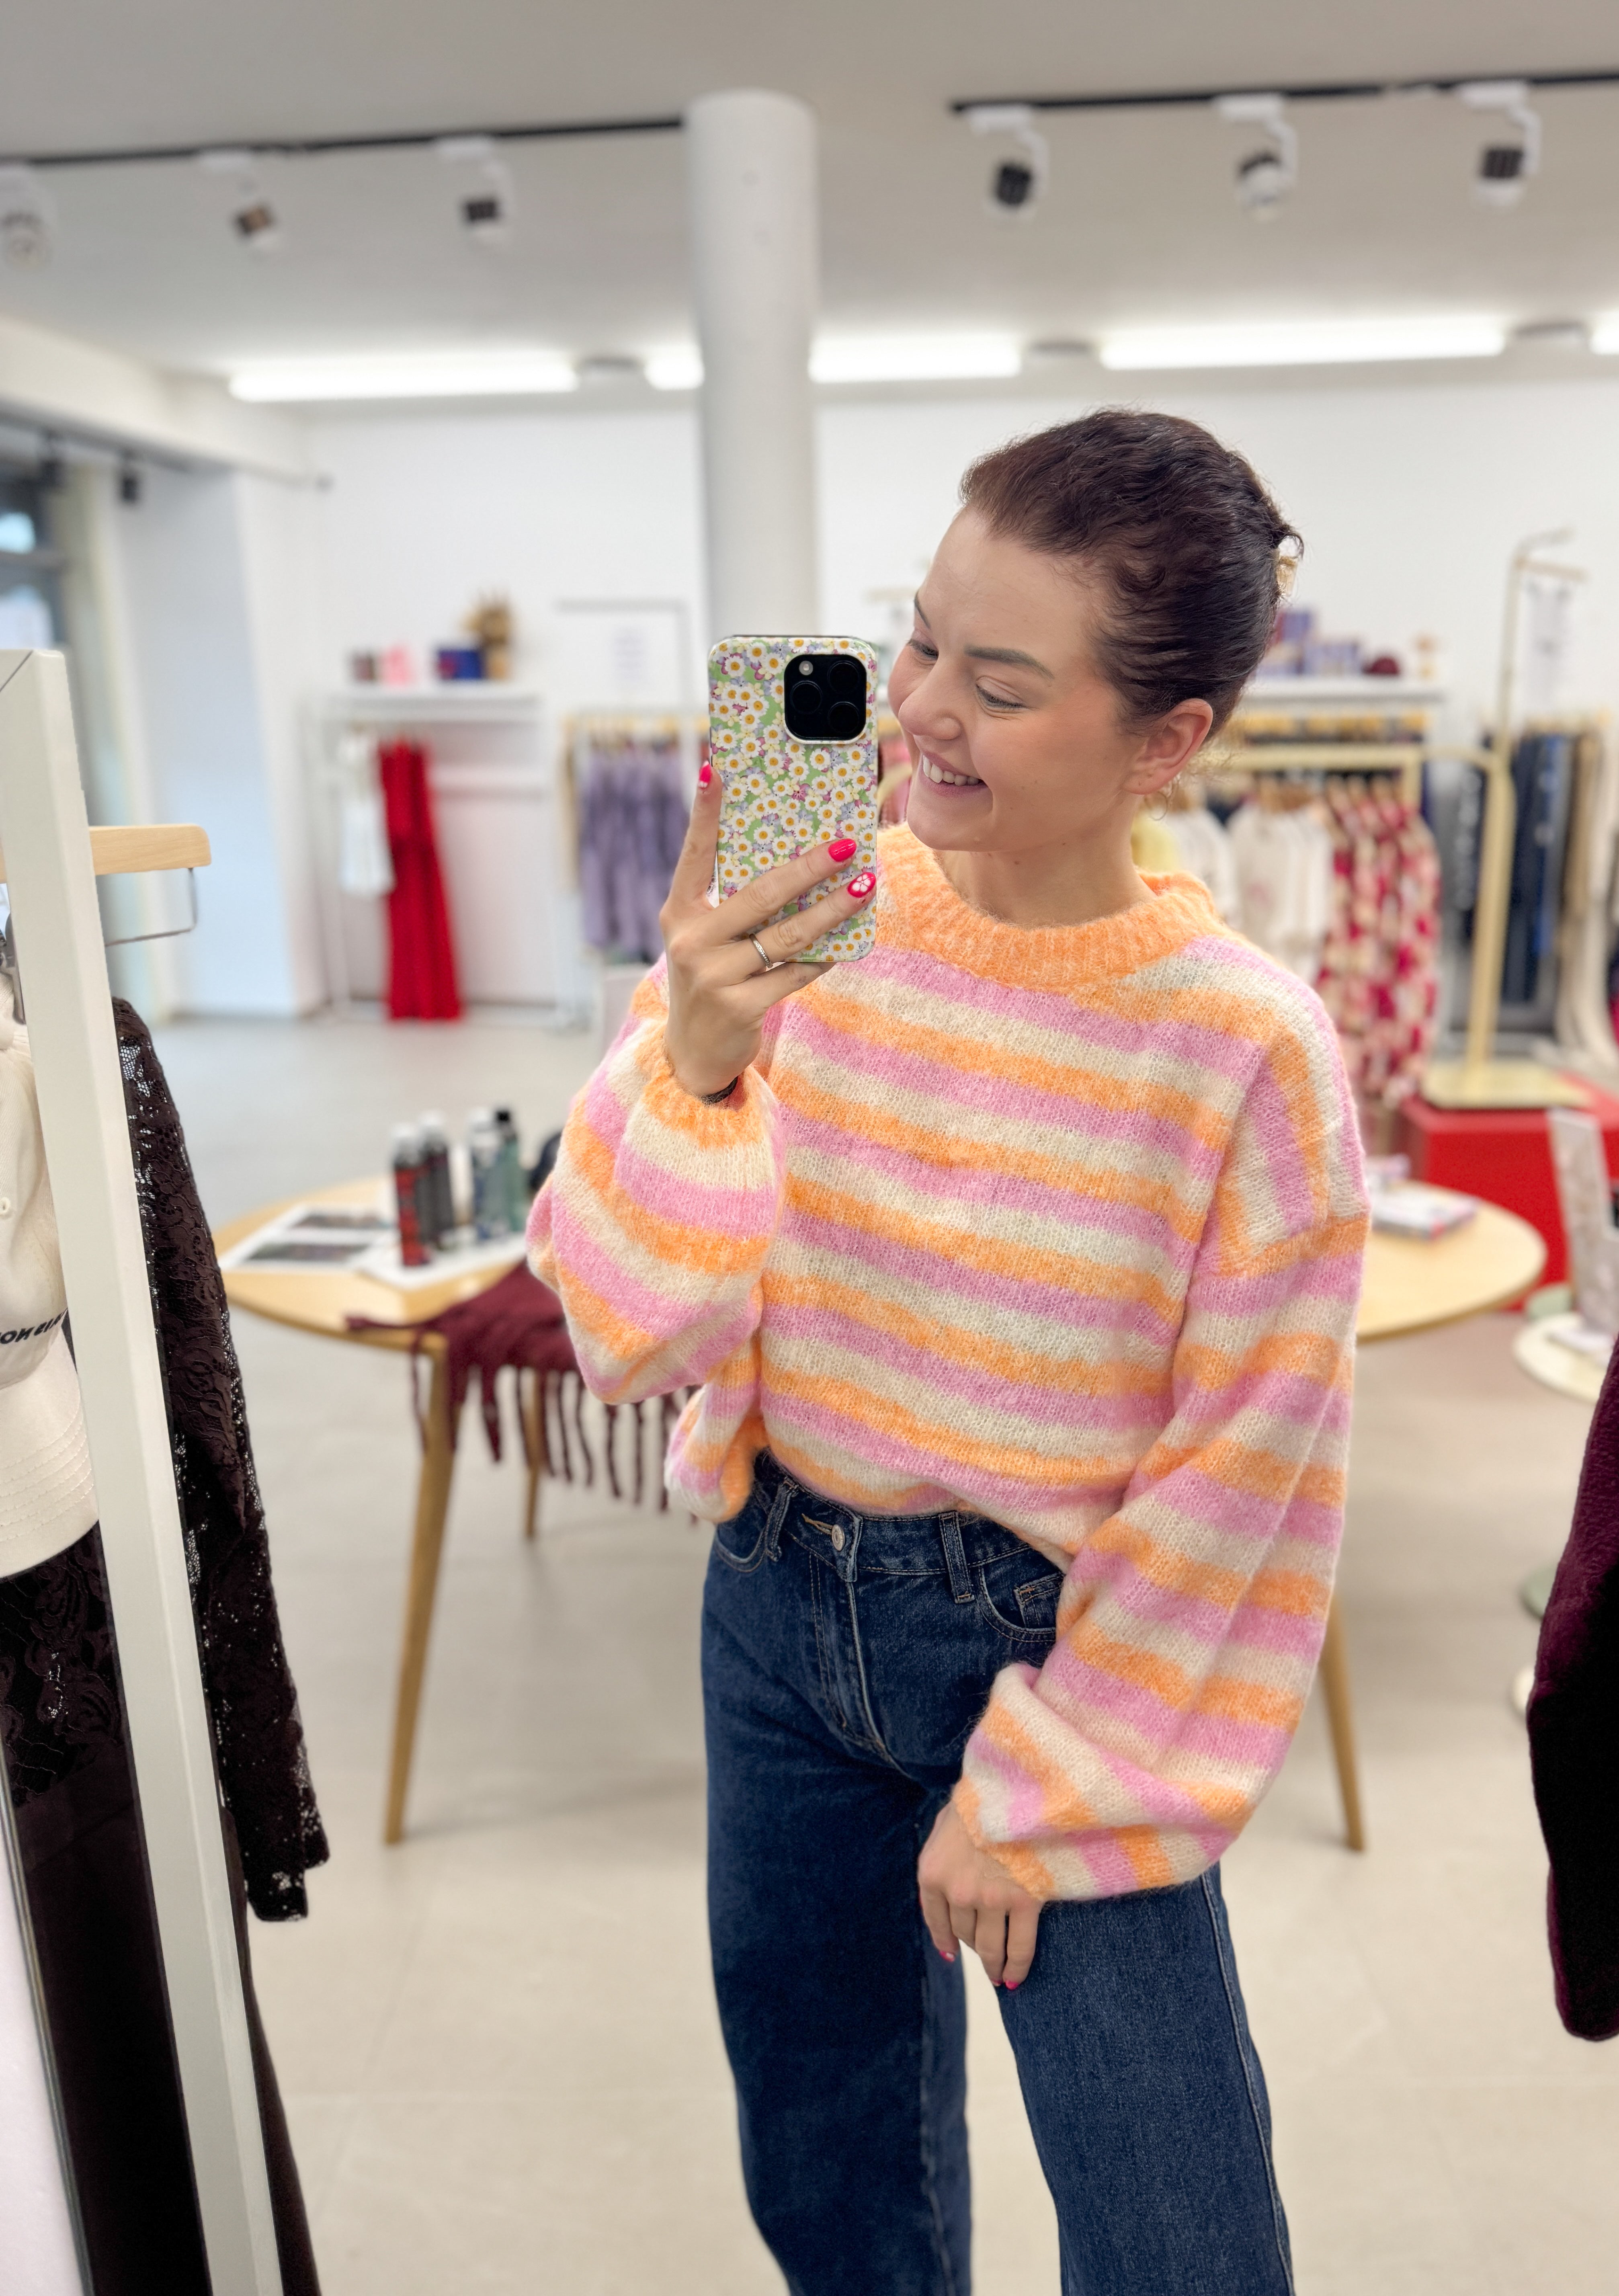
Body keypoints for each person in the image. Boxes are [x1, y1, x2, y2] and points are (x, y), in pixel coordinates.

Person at [529, 409, 1367, 2296]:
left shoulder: (1248, 1052)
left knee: (1179, 2239)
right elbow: (623, 1322)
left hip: (1065, 1659)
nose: (915, 712)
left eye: (997, 682)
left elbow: (1249, 1475)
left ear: (1171, 742)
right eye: (916, 645)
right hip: (773, 1603)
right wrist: (700, 1050)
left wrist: (1051, 1777)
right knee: (831, 2180)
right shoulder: (812, 918)